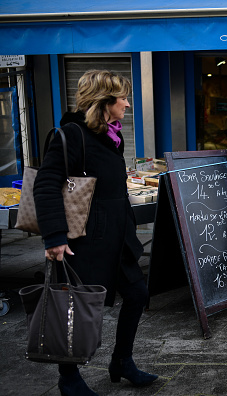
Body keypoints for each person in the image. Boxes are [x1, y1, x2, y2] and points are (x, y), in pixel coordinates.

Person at [33, 70, 158, 395]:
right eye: (123, 99)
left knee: (137, 295)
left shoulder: (111, 136)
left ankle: (122, 361)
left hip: (118, 237)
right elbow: (46, 184)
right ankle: (69, 377)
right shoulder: (73, 135)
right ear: (105, 102)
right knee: (74, 307)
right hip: (85, 241)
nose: (128, 105)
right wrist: (55, 237)